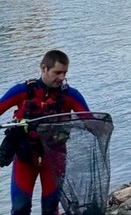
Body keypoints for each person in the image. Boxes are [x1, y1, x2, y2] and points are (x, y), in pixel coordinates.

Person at [0, 50, 90, 215]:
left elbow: (89, 120)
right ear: (44, 68)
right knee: (20, 208)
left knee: (50, 209)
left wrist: (98, 126)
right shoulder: (22, 91)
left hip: (54, 160)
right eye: (57, 72)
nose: (62, 77)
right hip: (25, 158)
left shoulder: (71, 95)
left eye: (65, 73)